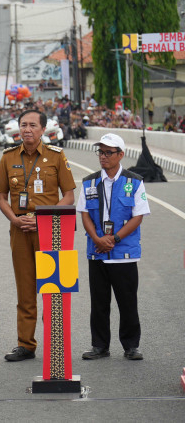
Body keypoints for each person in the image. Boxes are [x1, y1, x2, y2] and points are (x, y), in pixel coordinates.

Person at [0, 109, 76, 361]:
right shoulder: (8, 157)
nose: (27, 129)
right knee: (26, 290)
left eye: (32, 125)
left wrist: (42, 218)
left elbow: (70, 197)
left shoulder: (56, 156)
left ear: (43, 129)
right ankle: (26, 344)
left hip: (51, 229)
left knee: (53, 289)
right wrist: (15, 219)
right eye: (23, 125)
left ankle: (56, 341)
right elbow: (1, 197)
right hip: (20, 231)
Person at [76, 134, 149, 361]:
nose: (103, 157)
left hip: (123, 253)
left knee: (127, 301)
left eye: (108, 152)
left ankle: (131, 346)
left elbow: (138, 217)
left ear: (121, 155)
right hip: (96, 252)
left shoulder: (134, 182)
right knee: (99, 302)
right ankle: (100, 345)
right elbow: (84, 214)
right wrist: (98, 239)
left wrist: (113, 239)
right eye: (101, 152)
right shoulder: (89, 182)